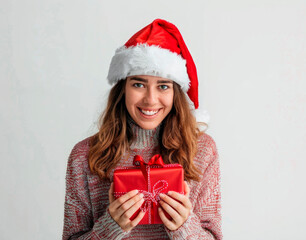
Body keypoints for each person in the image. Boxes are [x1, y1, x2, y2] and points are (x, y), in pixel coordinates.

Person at [62, 19, 222, 239]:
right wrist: (110, 226)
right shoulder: (83, 156)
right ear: (123, 89)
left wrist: (184, 227)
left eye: (163, 86)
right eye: (138, 84)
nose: (150, 99)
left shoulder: (202, 150)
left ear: (176, 93)